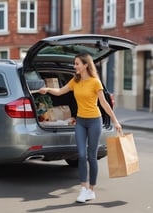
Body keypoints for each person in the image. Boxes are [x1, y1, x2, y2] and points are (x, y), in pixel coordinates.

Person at [38, 53, 122, 203]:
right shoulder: (75, 81)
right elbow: (60, 91)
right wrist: (48, 89)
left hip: (95, 121)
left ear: (85, 65)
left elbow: (104, 103)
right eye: (74, 63)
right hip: (81, 121)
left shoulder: (95, 82)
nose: (74, 66)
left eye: (77, 63)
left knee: (92, 156)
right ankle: (83, 188)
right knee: (81, 155)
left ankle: (91, 189)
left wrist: (115, 121)